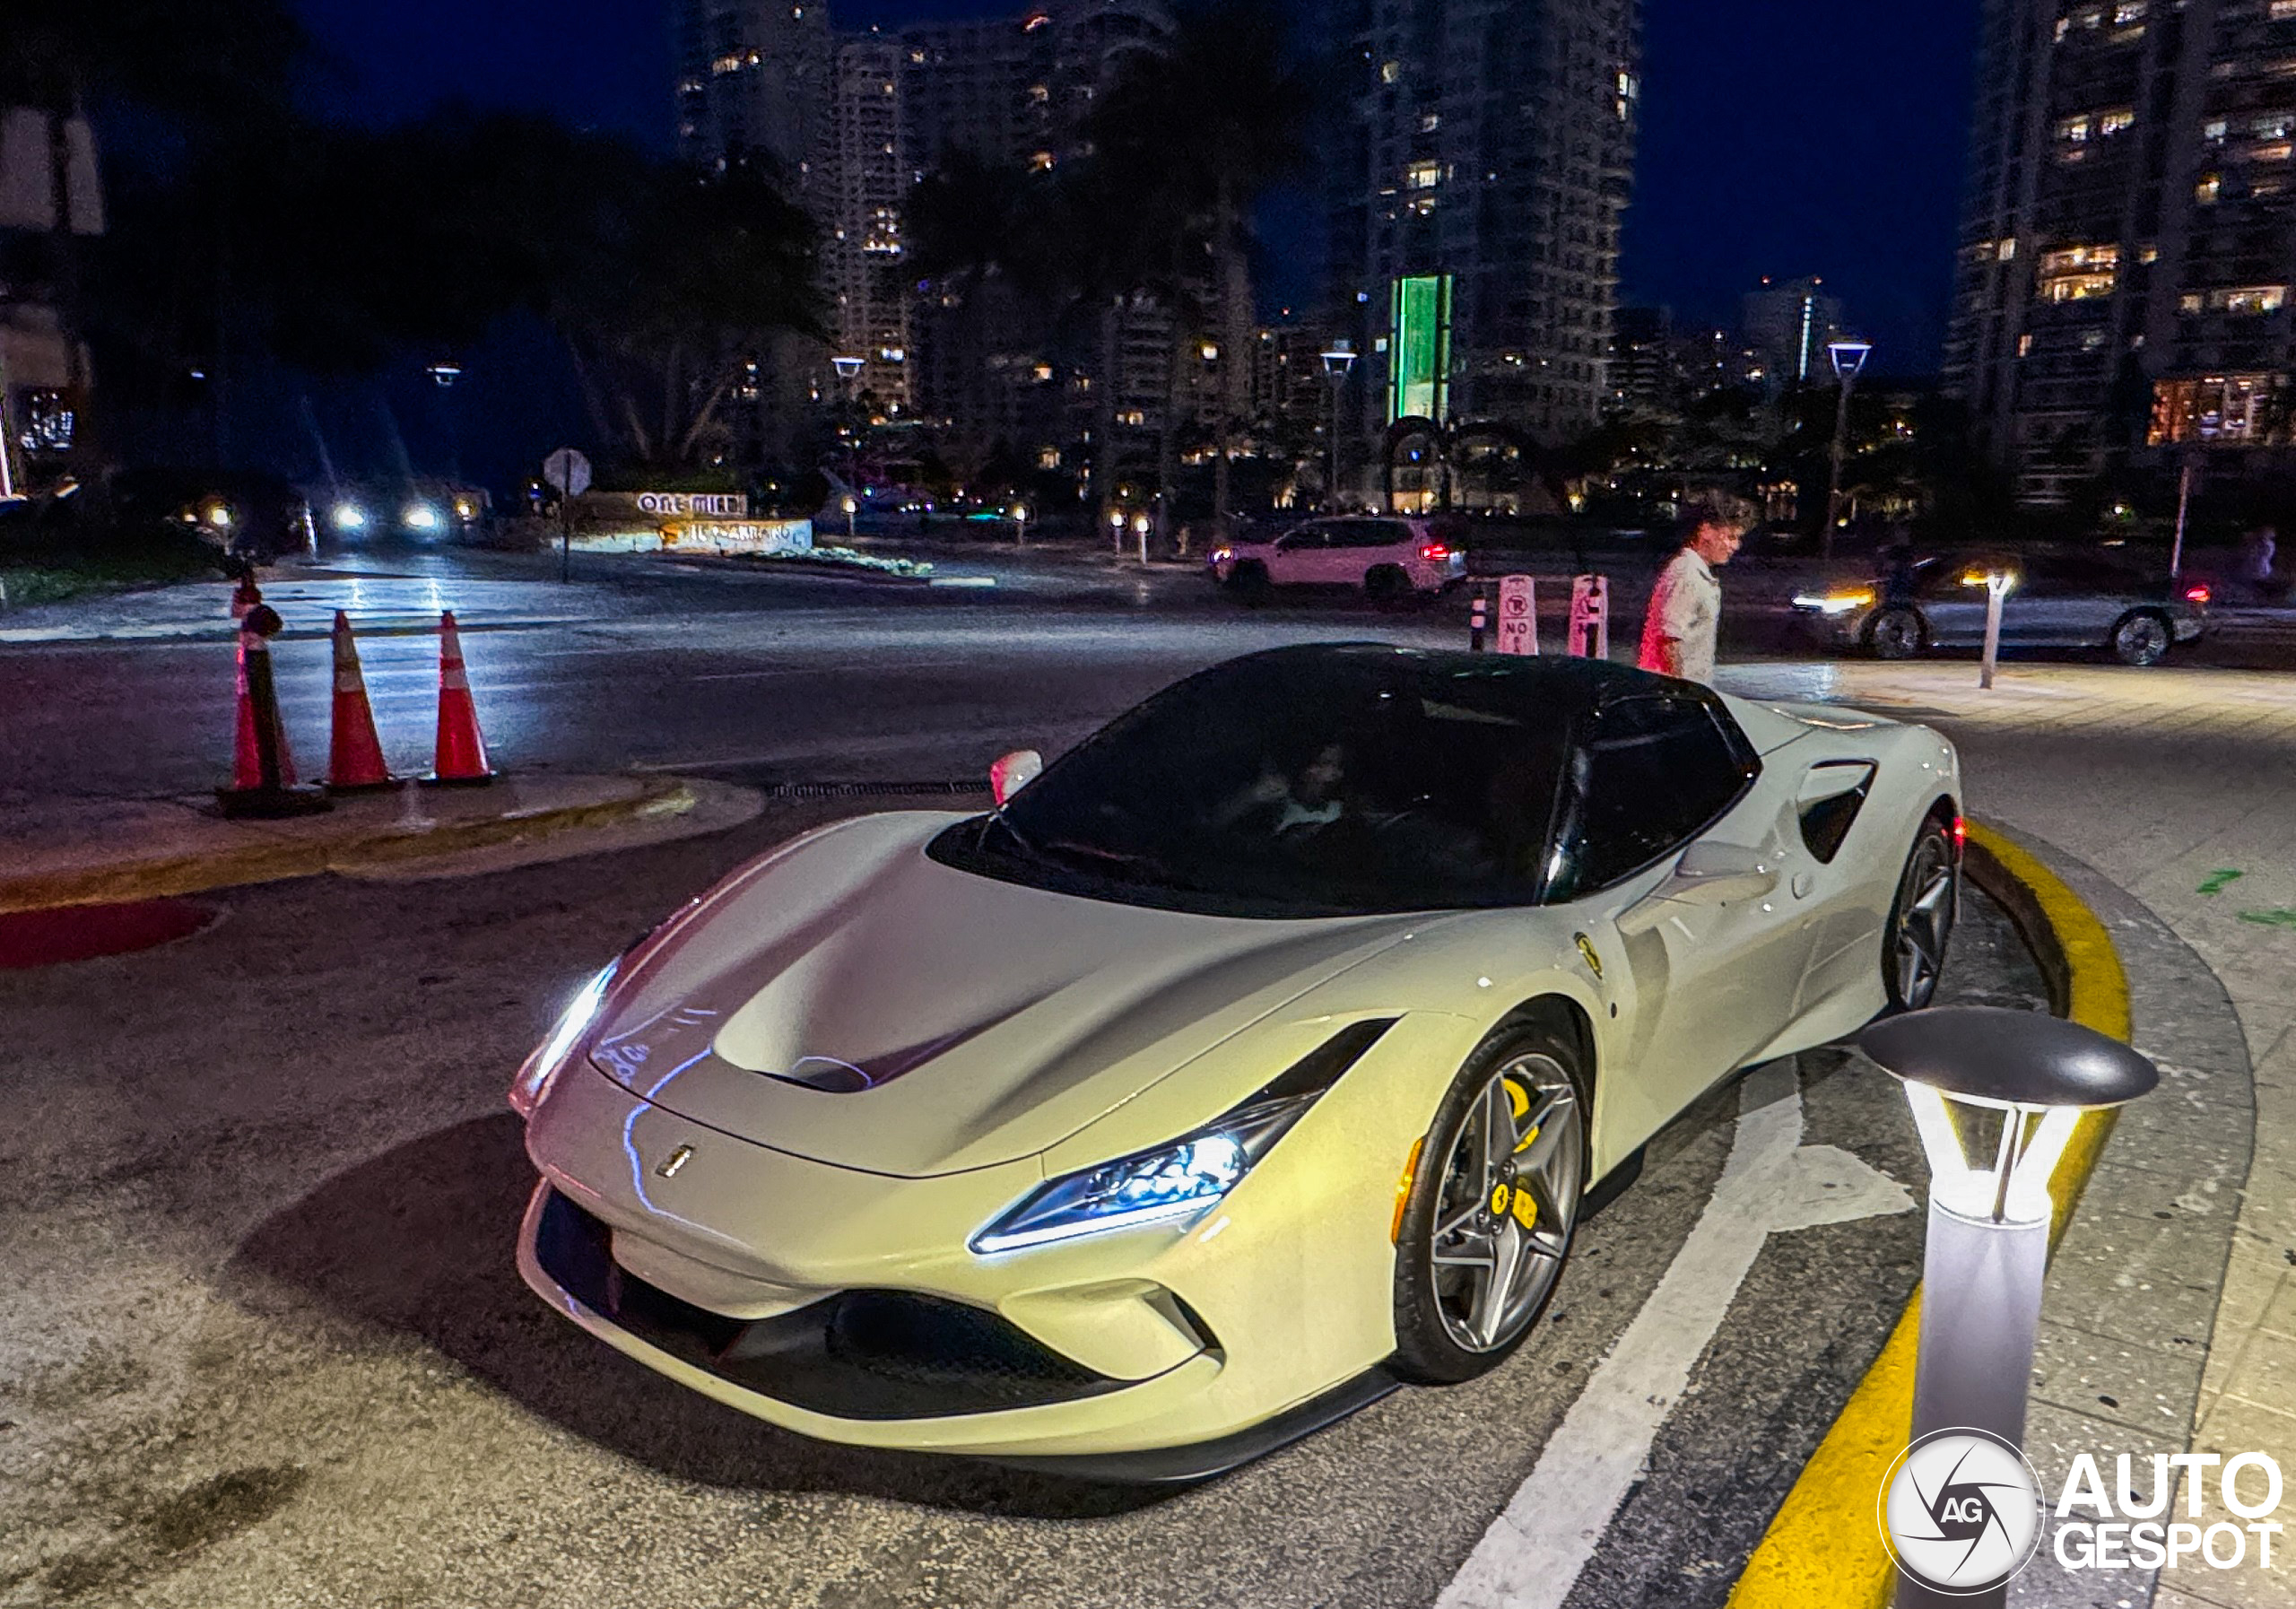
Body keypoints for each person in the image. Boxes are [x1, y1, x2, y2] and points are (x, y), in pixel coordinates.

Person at [1638, 493, 1755, 684]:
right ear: (1706, 530)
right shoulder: (1687, 573)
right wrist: (1682, 691)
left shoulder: (1693, 571)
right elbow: (1670, 639)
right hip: (1673, 696)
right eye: (1731, 537)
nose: (1735, 546)